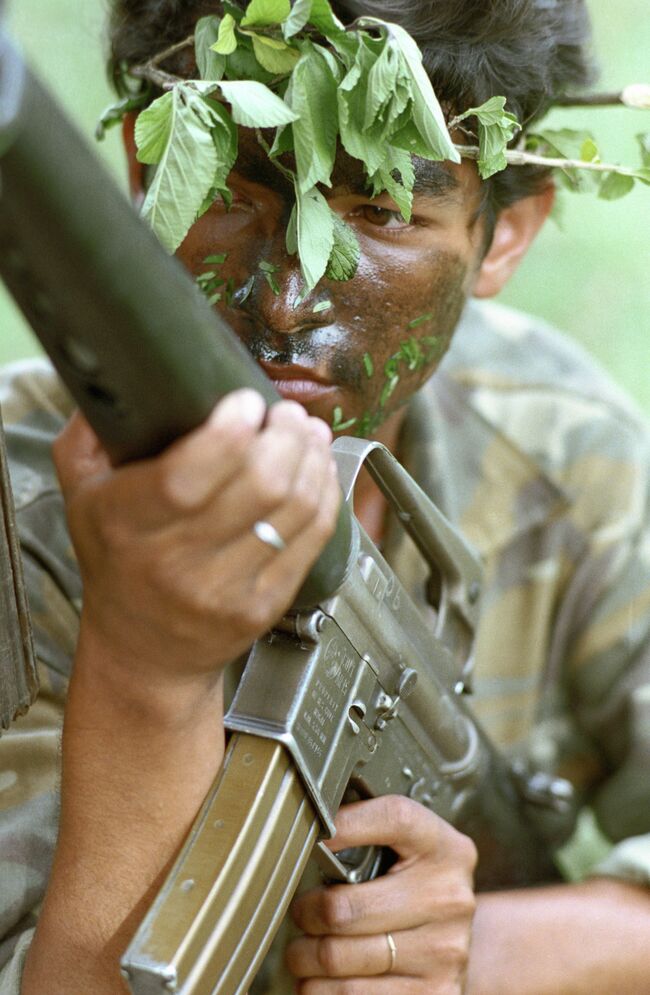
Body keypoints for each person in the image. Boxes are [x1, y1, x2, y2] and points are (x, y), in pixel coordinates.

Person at [2, 0, 650, 992]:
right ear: (147, 173)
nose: (287, 296)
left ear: (504, 235)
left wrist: (470, 949)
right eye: (229, 191)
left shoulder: (558, 444)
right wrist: (145, 674)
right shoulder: (22, 515)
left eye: (383, 211)